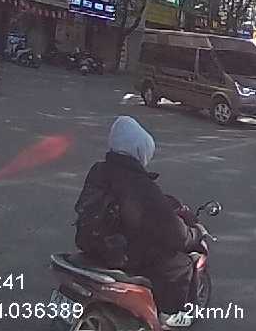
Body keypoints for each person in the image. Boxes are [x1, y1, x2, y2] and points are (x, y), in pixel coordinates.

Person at [74, 116, 201, 327]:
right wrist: (193, 235)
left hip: (90, 240)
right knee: (180, 264)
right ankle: (169, 315)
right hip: (119, 252)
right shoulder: (139, 183)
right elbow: (174, 232)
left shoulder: (99, 170)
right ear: (139, 151)